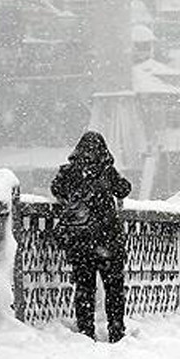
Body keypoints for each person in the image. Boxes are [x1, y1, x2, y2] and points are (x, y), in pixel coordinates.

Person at [51, 130, 132, 342]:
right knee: (114, 289)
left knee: (84, 289)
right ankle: (116, 330)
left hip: (80, 241)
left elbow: (56, 189)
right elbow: (124, 189)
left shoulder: (70, 172)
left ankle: (86, 332)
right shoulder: (106, 171)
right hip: (108, 241)